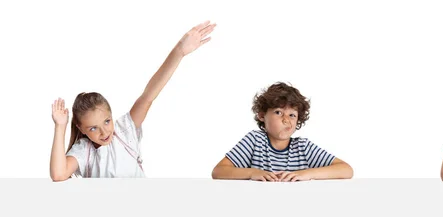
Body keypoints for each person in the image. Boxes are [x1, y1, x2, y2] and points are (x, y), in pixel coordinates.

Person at [49, 21, 216, 181]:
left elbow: (148, 95)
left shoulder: (124, 131)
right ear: (81, 129)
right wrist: (60, 126)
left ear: (111, 115)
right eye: (93, 128)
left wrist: (179, 51)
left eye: (107, 121)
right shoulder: (84, 150)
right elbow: (58, 174)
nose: (104, 132)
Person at [212, 82, 353, 182]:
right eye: (278, 112)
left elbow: (346, 170)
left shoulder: (303, 147)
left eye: (292, 115)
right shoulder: (254, 141)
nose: (286, 120)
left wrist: (307, 174)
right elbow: (218, 171)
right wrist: (252, 173)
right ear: (262, 115)